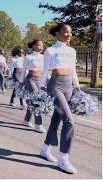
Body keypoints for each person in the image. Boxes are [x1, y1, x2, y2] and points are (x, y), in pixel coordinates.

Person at [39, 23, 80, 174]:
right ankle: (63, 159)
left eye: (70, 32)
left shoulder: (72, 51)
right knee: (69, 121)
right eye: (65, 31)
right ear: (58, 33)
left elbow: (74, 71)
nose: (69, 34)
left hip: (69, 85)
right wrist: (42, 89)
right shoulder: (50, 50)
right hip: (55, 85)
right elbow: (44, 72)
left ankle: (45, 149)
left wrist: (77, 87)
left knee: (57, 120)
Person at [18, 40, 46, 133]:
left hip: (40, 80)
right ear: (33, 46)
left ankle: (26, 120)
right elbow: (23, 71)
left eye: (42, 45)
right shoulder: (28, 57)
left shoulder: (44, 57)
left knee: (31, 101)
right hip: (30, 80)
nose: (41, 47)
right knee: (37, 101)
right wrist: (21, 83)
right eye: (38, 45)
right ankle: (39, 124)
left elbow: (45, 71)